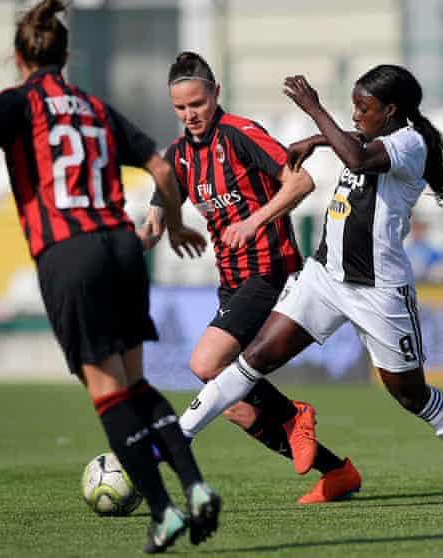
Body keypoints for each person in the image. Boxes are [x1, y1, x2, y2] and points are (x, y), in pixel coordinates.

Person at [174, 64, 443, 504]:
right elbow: (355, 144)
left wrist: (315, 111)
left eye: (363, 107)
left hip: (378, 289)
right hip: (324, 278)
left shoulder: (409, 143)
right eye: (353, 106)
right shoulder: (374, 137)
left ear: (391, 110)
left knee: (410, 395)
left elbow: (358, 158)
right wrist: (316, 141)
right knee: (254, 358)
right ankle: (176, 439)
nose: (355, 114)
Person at [0, 1, 221, 552]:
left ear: (19, 57)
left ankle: (165, 512)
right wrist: (174, 224)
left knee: (108, 393)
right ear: (66, 55)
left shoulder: (20, 101)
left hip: (68, 252)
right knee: (137, 385)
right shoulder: (95, 107)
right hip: (122, 245)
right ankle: (195, 487)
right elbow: (162, 167)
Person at [139, 51, 360, 504]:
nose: (190, 114)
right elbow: (156, 218)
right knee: (232, 405)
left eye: (197, 104)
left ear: (216, 94)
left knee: (205, 365)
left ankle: (295, 413)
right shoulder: (178, 155)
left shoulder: (240, 134)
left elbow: (300, 183)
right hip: (232, 282)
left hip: (271, 270)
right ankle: (337, 471)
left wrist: (254, 220)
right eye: (180, 108)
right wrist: (129, 242)